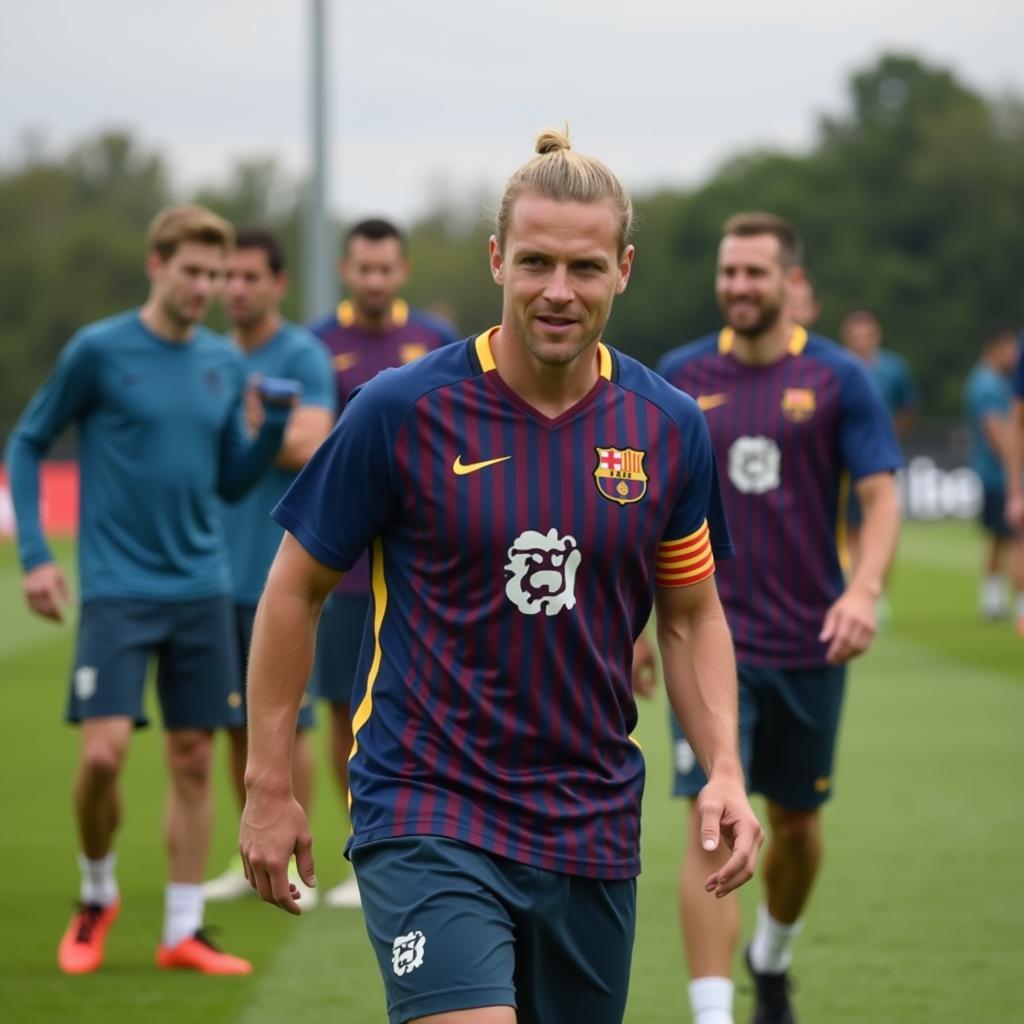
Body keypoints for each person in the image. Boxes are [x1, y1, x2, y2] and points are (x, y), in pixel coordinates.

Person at [239, 130, 764, 1024]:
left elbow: (690, 616)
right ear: (497, 260)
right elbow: (295, 587)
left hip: (591, 818)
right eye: (535, 263)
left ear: (624, 269)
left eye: (585, 267)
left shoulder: (668, 426)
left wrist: (723, 768)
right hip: (427, 803)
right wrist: (267, 782)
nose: (558, 291)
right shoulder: (401, 411)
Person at [4, 204, 290, 976]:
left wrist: (269, 431)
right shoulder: (99, 351)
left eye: (218, 275)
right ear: (156, 266)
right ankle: (97, 894)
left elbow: (230, 483)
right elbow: (28, 441)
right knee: (101, 755)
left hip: (202, 582)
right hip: (119, 588)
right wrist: (35, 553)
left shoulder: (224, 364)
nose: (206, 287)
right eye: (193, 271)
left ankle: (182, 930)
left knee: (195, 756)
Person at [655, 213, 902, 1024]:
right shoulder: (678, 374)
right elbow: (639, 515)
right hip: (707, 641)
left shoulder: (838, 379)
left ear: (790, 282)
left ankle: (773, 955)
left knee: (796, 831)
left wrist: (862, 589)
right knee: (711, 820)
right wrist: (631, 633)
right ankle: (713, 1014)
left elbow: (880, 495)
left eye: (756, 273)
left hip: (807, 645)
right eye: (729, 272)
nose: (739, 287)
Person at [306, 216, 460, 908]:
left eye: (384, 269)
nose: (373, 280)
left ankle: (418, 839)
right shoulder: (317, 345)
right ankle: (358, 845)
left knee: (420, 706)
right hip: (342, 570)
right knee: (344, 710)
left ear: (402, 270)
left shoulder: (433, 340)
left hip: (417, 570)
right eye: (361, 268)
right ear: (346, 270)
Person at [201, 228, 336, 905]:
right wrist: (261, 423)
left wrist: (253, 426)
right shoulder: (212, 355)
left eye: (252, 277)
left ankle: (298, 853)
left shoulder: (303, 353)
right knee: (236, 720)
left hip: (282, 567)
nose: (237, 289)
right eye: (229, 276)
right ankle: (250, 848)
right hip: (214, 565)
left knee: (298, 721)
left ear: (277, 284)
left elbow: (311, 442)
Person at [839, 309, 917, 567]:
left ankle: (875, 585)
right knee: (848, 524)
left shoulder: (894, 370)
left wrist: (889, 437)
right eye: (856, 336)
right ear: (846, 338)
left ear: (877, 335)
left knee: (881, 517)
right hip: (844, 462)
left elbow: (909, 405)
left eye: (867, 335)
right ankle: (852, 579)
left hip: (881, 460)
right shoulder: (836, 367)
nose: (862, 341)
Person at [963, 326, 1023, 625]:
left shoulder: (994, 380)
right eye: (1011, 349)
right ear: (995, 347)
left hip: (996, 473)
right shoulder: (986, 384)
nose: (1015, 356)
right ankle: (1005, 600)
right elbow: (995, 430)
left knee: (1000, 538)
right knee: (1012, 537)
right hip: (999, 474)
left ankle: (994, 598)